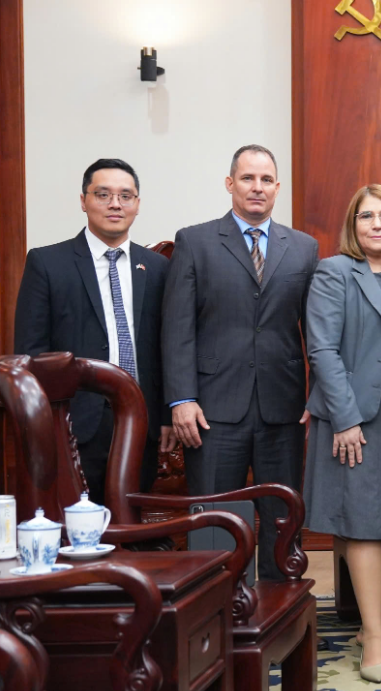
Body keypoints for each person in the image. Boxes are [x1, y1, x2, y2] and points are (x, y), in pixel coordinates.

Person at [162, 144, 319, 580]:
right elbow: (176, 328)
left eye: (266, 180)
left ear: (277, 188)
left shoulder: (304, 248)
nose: (257, 187)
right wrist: (181, 399)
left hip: (283, 407)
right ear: (230, 184)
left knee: (282, 517)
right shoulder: (194, 241)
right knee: (214, 517)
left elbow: (318, 331)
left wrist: (317, 394)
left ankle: (278, 613)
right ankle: (214, 618)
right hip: (211, 409)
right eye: (248, 178)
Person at [302, 184, 381, 683]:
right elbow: (322, 349)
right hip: (355, 416)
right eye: (367, 216)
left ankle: (380, 628)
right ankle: (372, 635)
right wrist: (345, 418)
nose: (377, 224)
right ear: (354, 223)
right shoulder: (334, 272)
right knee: (365, 522)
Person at [14, 158, 171, 503]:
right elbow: (30, 352)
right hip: (75, 422)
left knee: (130, 520)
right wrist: (44, 423)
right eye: (103, 194)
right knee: (79, 529)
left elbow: (166, 349)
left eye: (125, 196)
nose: (116, 204)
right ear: (83, 201)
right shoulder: (47, 263)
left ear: (137, 205)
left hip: (140, 418)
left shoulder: (158, 268)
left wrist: (164, 417)